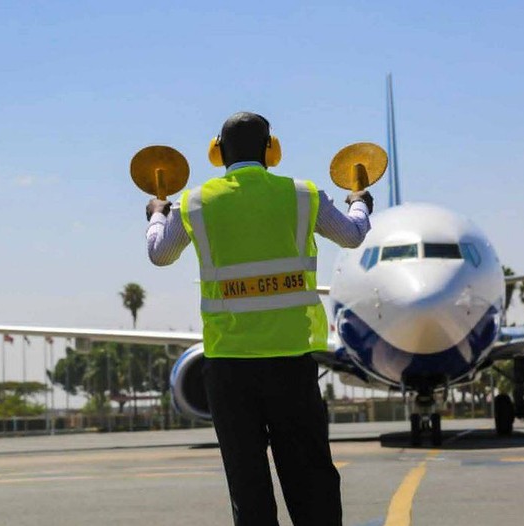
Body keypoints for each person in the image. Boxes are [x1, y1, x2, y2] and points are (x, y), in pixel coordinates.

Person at [145, 112, 373, 526]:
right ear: (272, 150)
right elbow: (353, 236)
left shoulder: (194, 202)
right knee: (311, 480)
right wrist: (358, 203)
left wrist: (158, 213)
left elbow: (160, 254)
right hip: (291, 363)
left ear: (217, 152)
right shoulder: (303, 196)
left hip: (229, 367)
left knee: (248, 485)